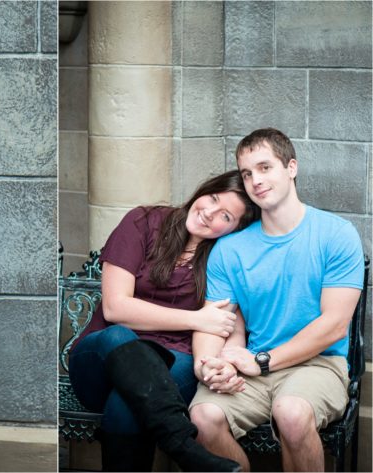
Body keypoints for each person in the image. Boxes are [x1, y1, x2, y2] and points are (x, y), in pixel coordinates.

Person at [189, 128, 364, 472]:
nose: (255, 180)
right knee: (202, 418)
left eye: (265, 167)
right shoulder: (230, 249)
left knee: (292, 413)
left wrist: (265, 361)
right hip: (252, 367)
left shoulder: (336, 235)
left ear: (291, 168)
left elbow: (334, 326)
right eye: (247, 173)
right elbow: (215, 320)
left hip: (317, 364)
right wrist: (211, 365)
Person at [68, 170, 259, 471]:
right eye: (211, 198)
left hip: (173, 363)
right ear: (202, 190)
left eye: (225, 216)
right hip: (100, 362)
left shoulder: (223, 257)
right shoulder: (143, 222)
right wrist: (196, 319)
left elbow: (228, 323)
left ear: (234, 230)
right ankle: (183, 445)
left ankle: (179, 444)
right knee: (118, 335)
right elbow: (116, 309)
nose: (209, 213)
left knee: (127, 404)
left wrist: (228, 363)